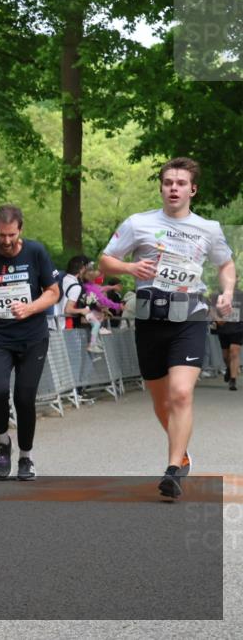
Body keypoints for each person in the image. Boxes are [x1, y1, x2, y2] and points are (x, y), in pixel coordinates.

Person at [99, 157, 235, 499]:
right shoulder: (138, 223)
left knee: (181, 393)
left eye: (180, 183)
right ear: (161, 187)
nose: (174, 188)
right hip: (150, 317)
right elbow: (105, 260)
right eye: (168, 182)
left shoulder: (209, 228)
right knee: (161, 402)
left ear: (193, 189)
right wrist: (131, 267)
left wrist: (228, 291)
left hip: (189, 315)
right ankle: (183, 451)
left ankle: (173, 469)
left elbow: (226, 263)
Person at [0, 204, 60, 481]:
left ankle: (26, 457)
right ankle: (3, 442)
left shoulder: (36, 252)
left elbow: (53, 292)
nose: (6, 241)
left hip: (32, 337)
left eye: (11, 235)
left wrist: (30, 308)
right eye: (1, 235)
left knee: (25, 397)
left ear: (21, 230)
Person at [81, 266, 122, 354]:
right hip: (86, 311)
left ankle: (96, 340)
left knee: (98, 321)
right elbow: (102, 299)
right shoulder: (91, 288)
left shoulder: (89, 286)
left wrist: (112, 287)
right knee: (96, 323)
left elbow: (102, 289)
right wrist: (117, 306)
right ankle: (92, 343)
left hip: (88, 310)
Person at [216, 287, 243, 391]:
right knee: (226, 356)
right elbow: (212, 309)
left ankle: (233, 380)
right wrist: (217, 319)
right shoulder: (218, 294)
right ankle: (229, 369)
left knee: (234, 352)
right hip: (224, 328)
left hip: (238, 328)